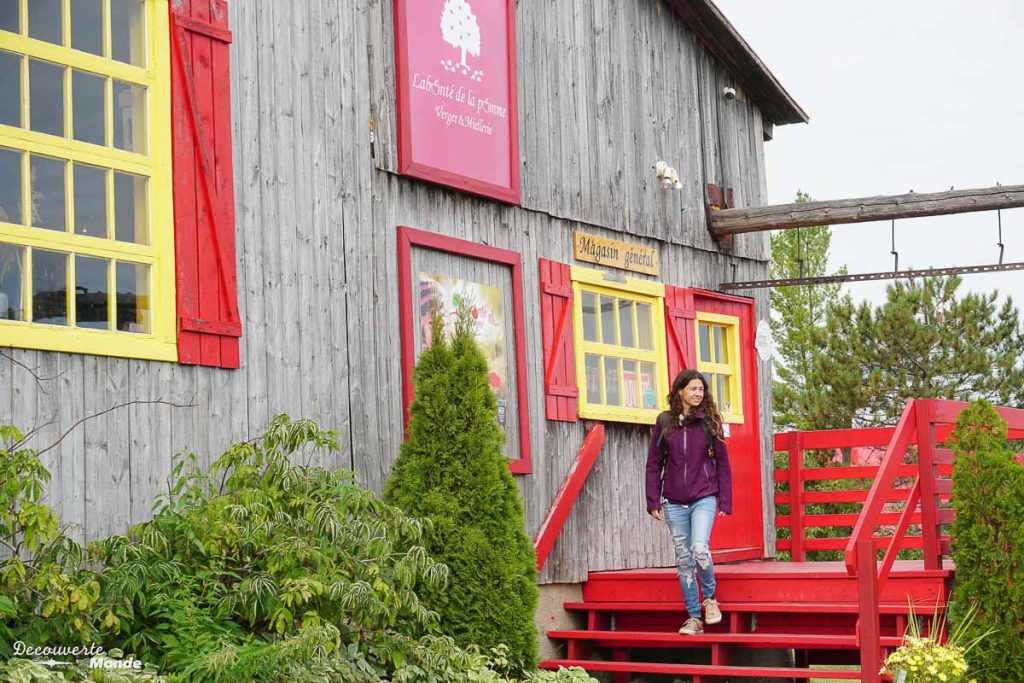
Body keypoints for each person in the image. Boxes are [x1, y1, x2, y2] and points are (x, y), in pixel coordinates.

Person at [645, 369, 733, 635]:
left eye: (701, 389)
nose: (698, 394)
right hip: (673, 501)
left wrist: (725, 501)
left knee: (699, 549)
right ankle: (694, 618)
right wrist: (653, 500)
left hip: (703, 497)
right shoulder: (664, 422)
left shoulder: (710, 422)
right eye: (693, 389)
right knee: (684, 559)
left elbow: (723, 465)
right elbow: (653, 463)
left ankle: (710, 599)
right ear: (680, 391)